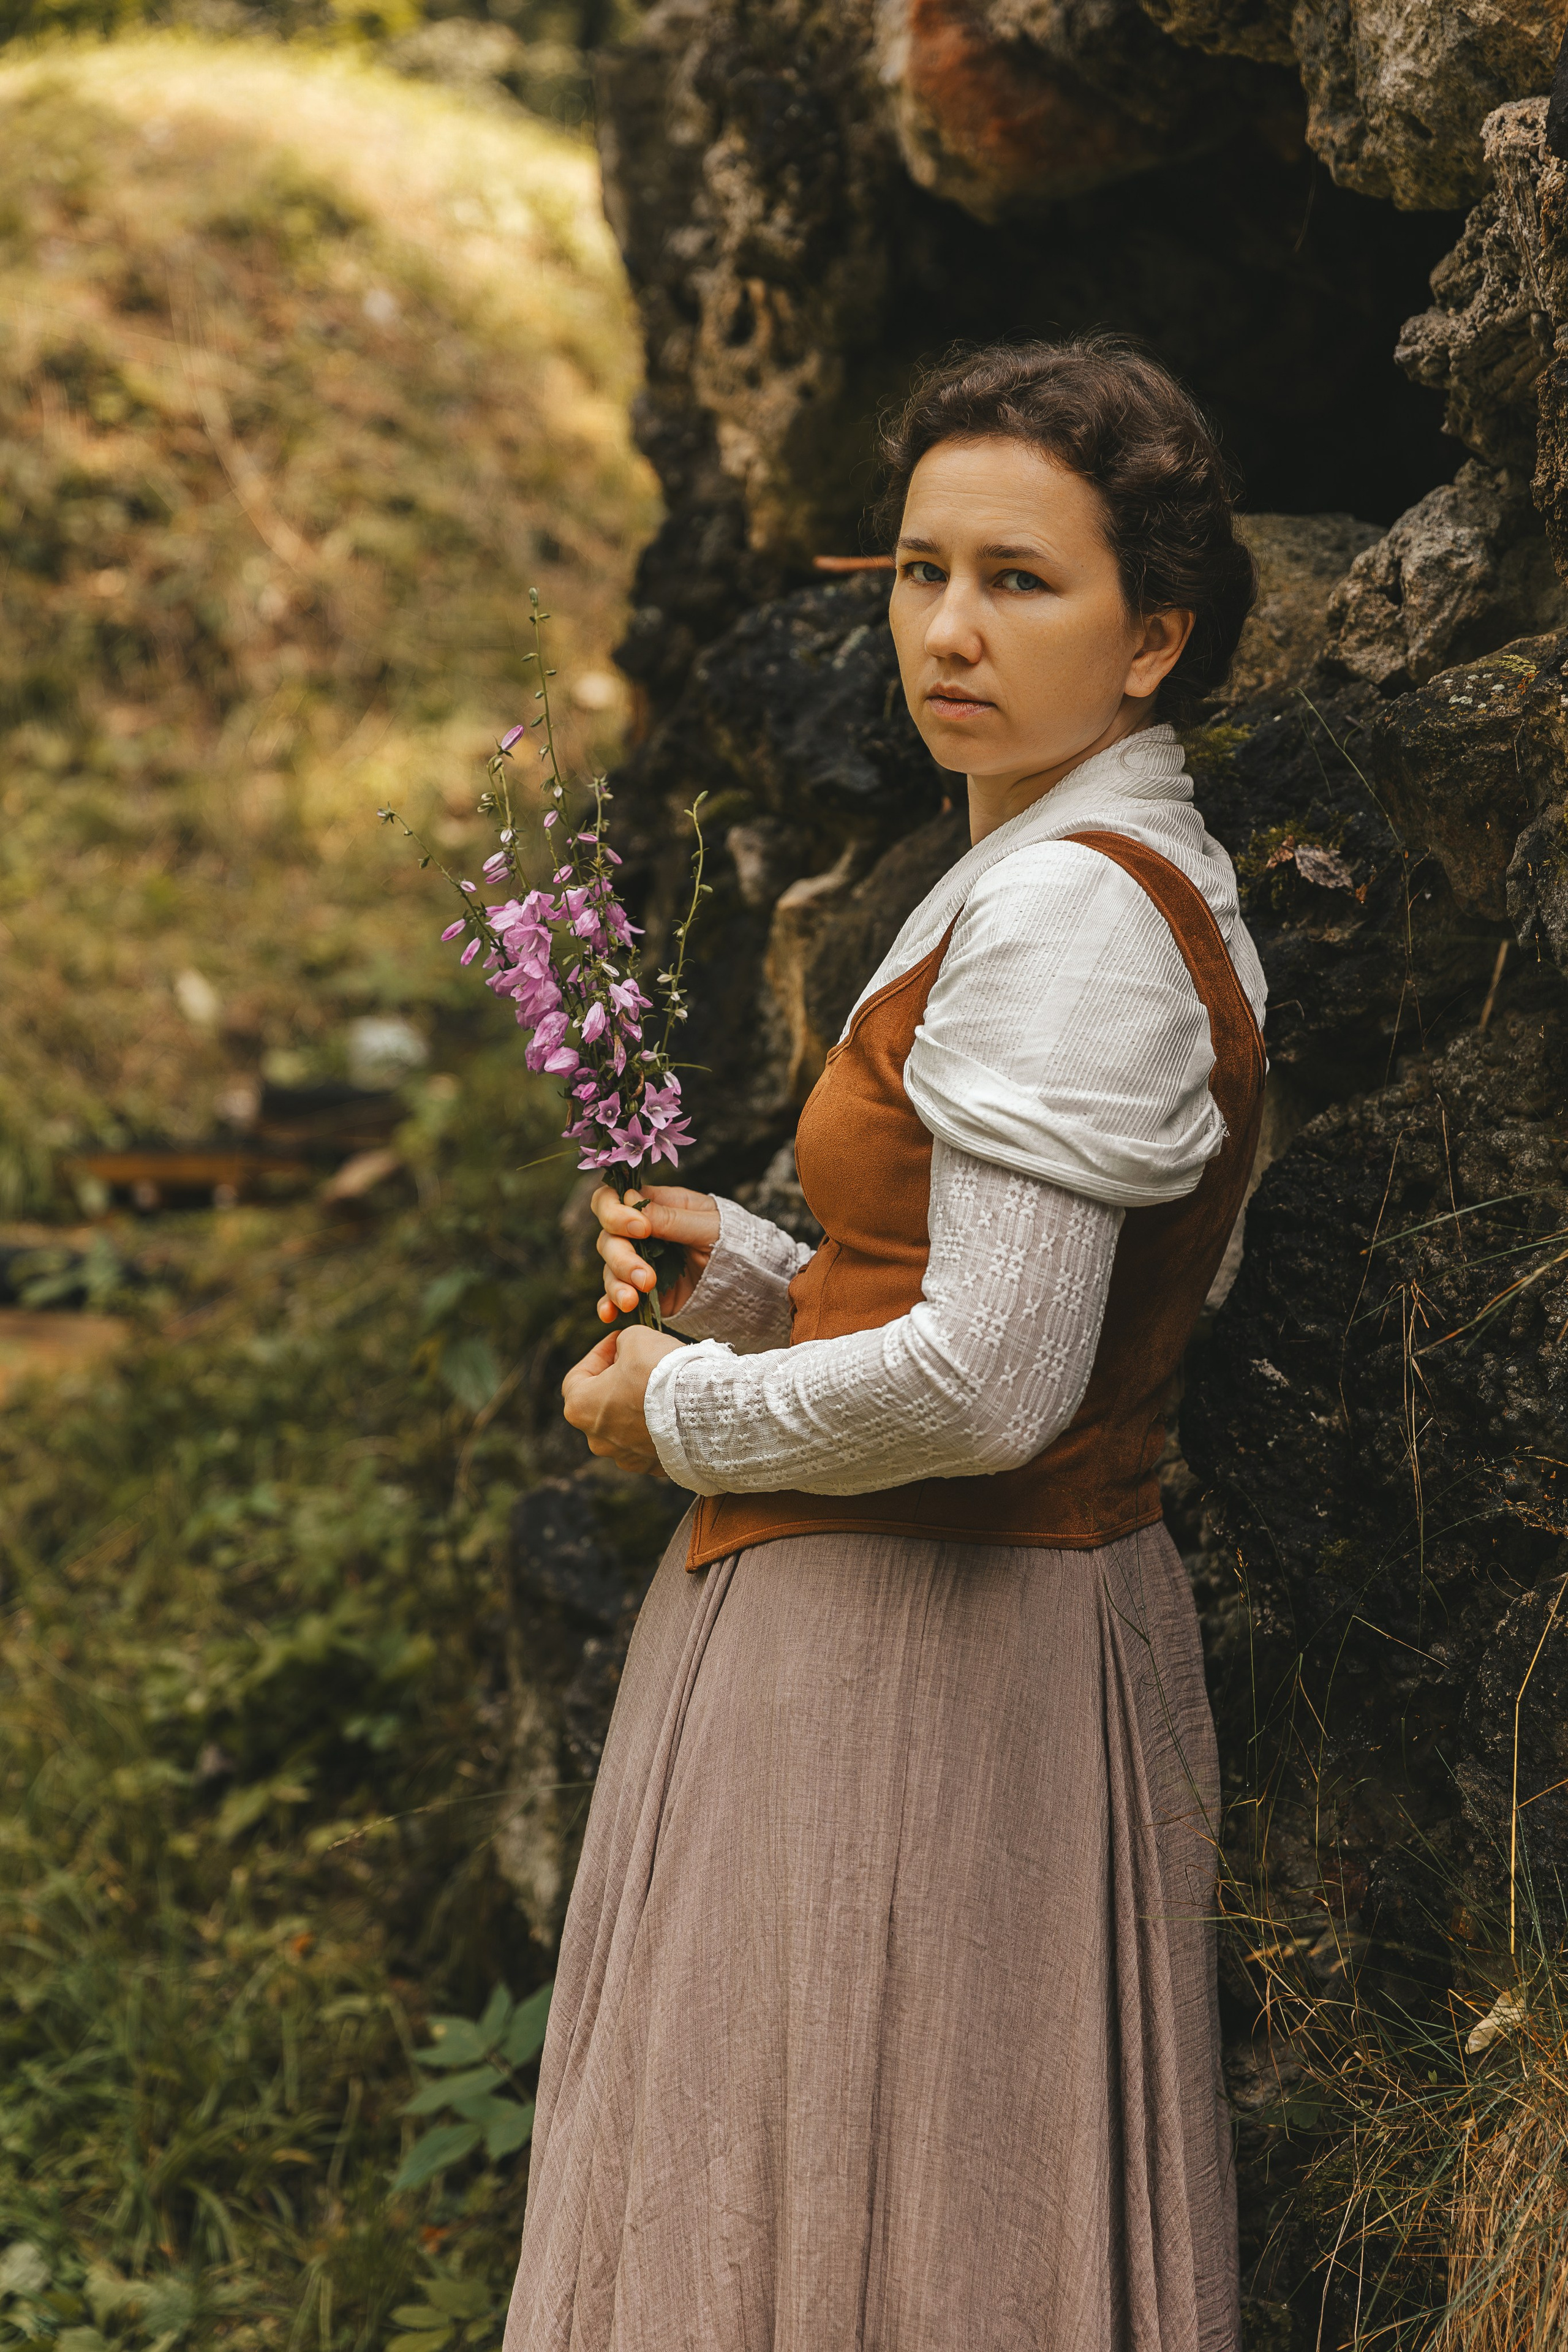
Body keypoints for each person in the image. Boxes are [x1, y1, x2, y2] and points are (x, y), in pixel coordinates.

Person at [503, 336, 1266, 2352]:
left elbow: (1001, 1382)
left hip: (934, 1672)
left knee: (873, 2243)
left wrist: (686, 1406)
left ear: (1154, 635)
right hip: (907, 1635)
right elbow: (979, 1287)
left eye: (1022, 582)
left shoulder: (1074, 918)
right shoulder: (1034, 862)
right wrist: (758, 1260)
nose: (948, 628)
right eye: (921, 572)